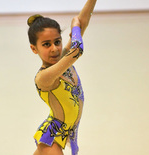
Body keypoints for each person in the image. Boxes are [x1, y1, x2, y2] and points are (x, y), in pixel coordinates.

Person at [27, 0, 97, 154]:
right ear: (34, 48)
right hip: (51, 140)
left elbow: (83, 22)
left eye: (57, 42)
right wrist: (75, 25)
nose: (54, 49)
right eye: (46, 44)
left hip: (59, 136)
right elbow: (77, 50)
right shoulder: (44, 77)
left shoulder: (63, 60)